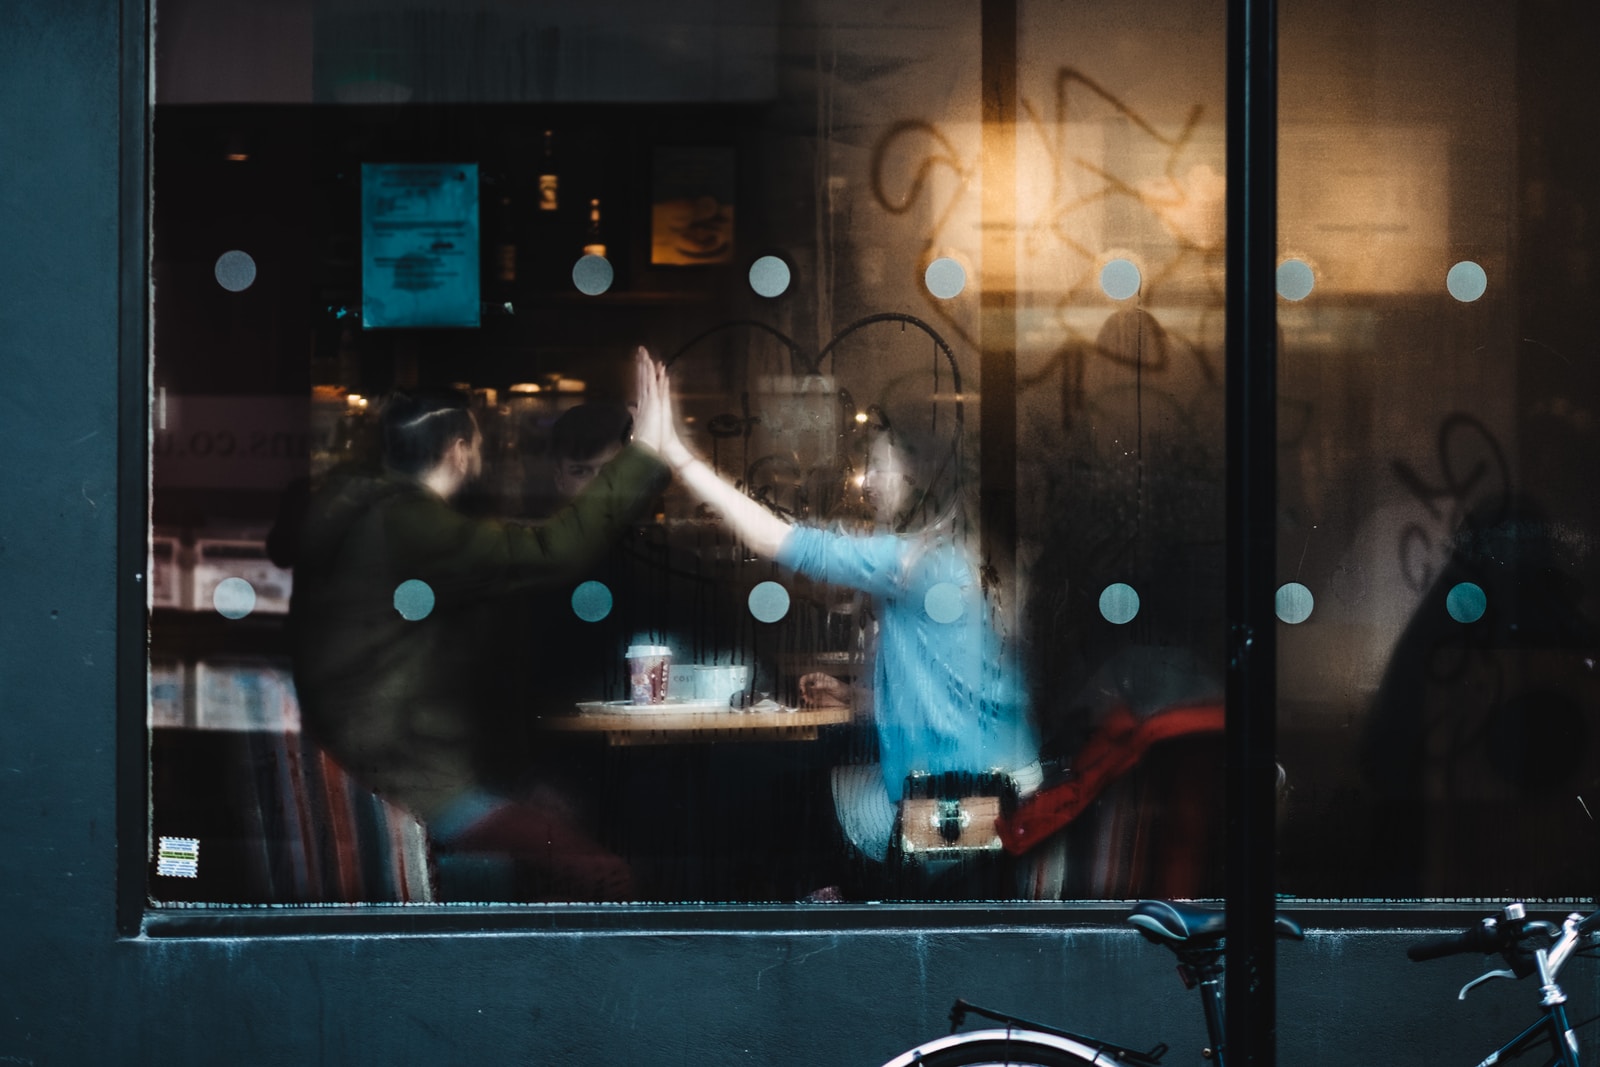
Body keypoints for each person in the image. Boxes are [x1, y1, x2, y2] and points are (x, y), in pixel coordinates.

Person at [287, 349, 672, 901]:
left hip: (377, 767)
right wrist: (645, 455)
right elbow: (552, 551)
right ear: (460, 449)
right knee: (603, 873)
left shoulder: (361, 511)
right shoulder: (410, 525)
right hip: (407, 782)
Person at [647, 363, 1041, 885]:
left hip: (958, 808)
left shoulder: (911, 562)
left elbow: (778, 541)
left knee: (764, 798)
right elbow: (960, 692)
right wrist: (858, 698)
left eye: (879, 466)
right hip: (1009, 787)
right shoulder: (968, 555)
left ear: (918, 472)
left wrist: (675, 452)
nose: (868, 482)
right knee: (798, 793)